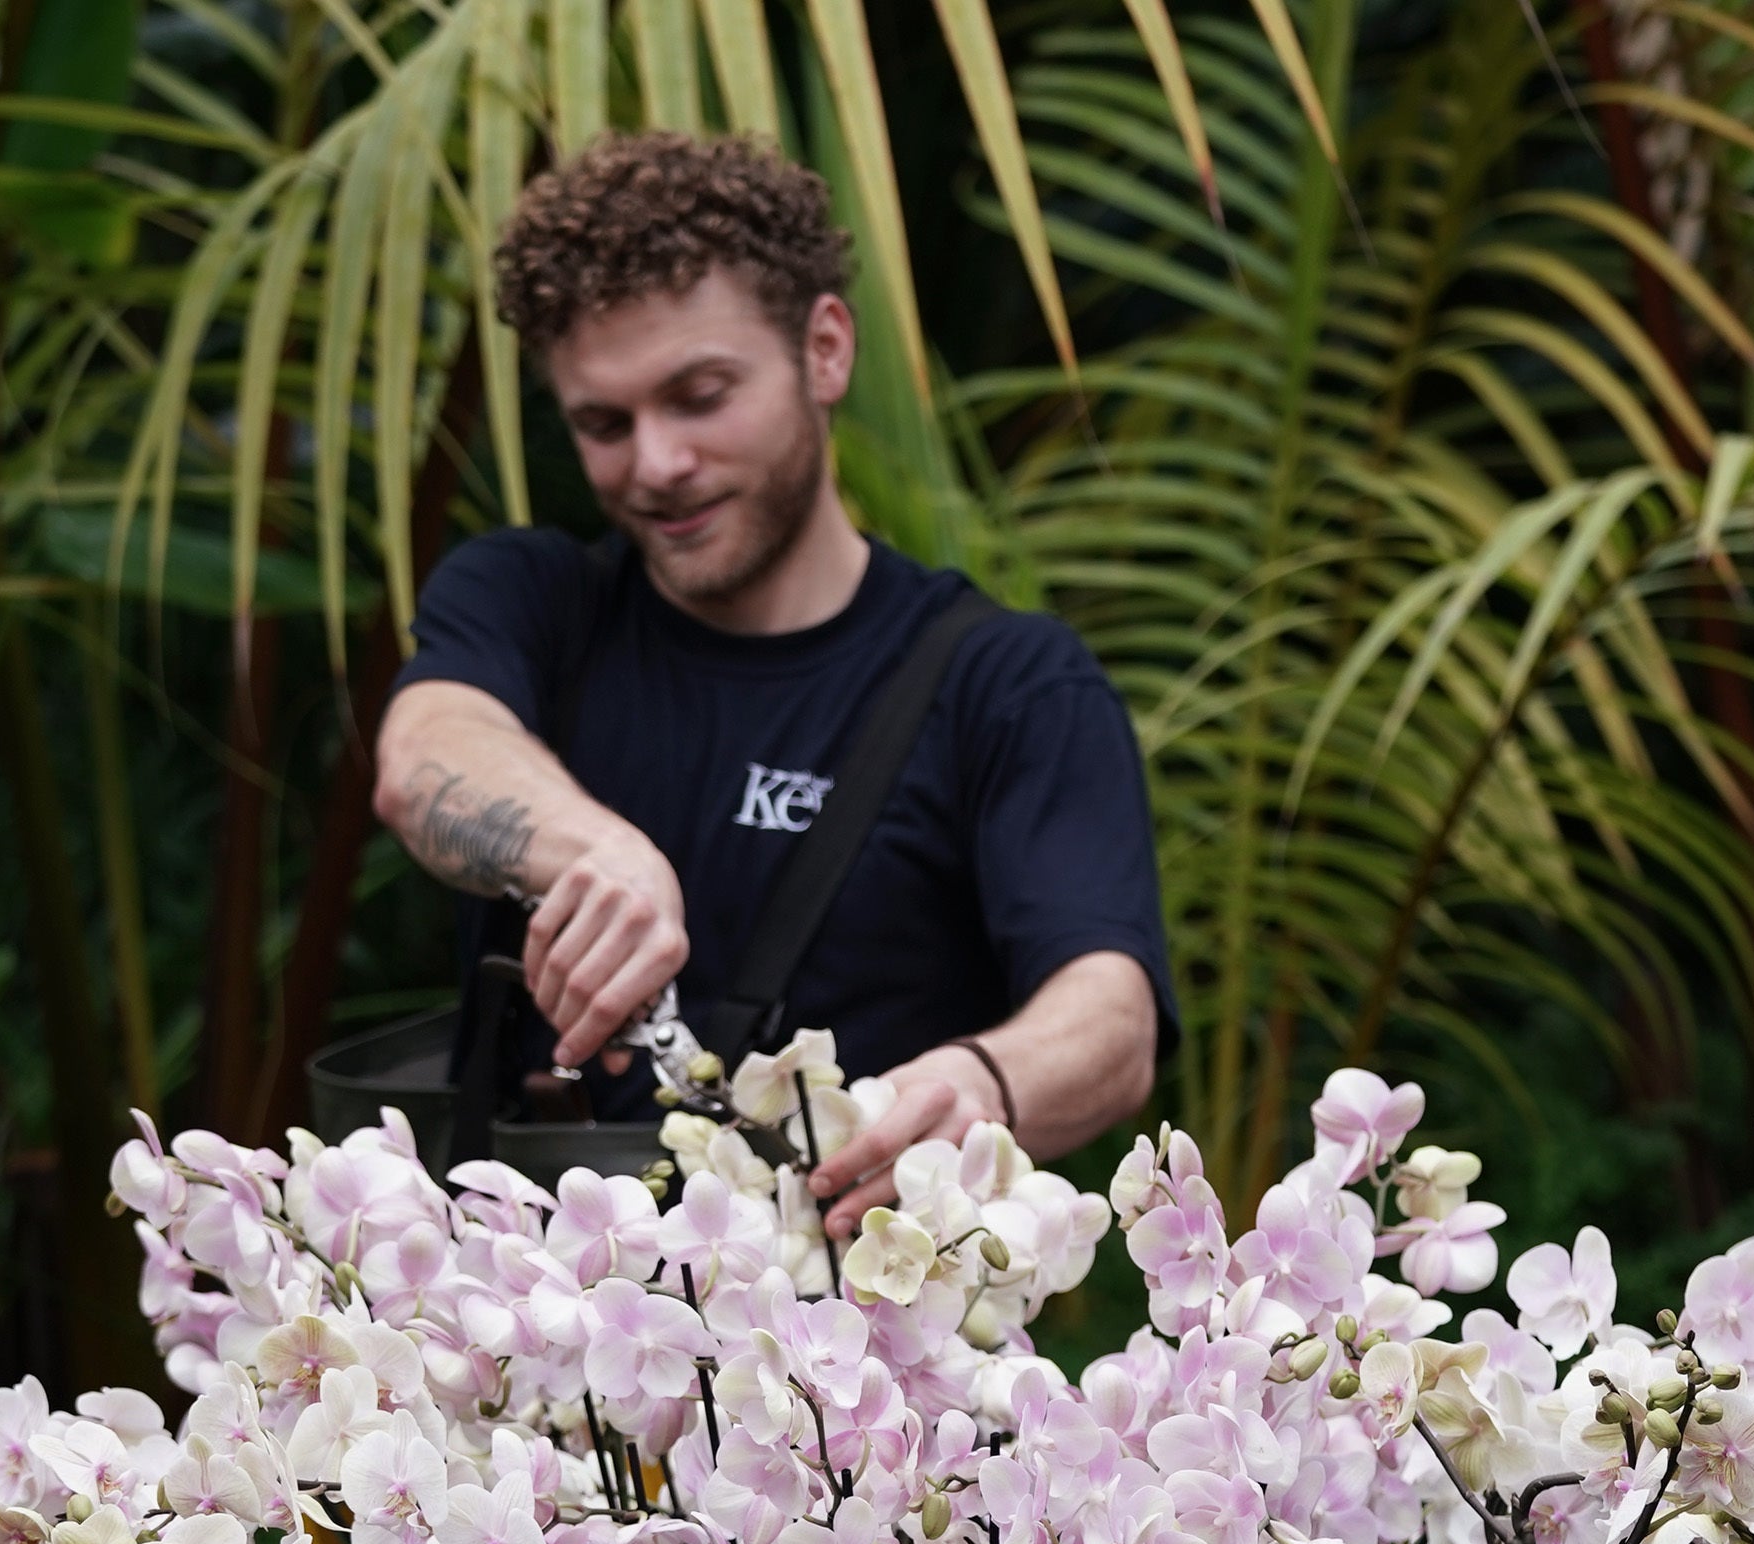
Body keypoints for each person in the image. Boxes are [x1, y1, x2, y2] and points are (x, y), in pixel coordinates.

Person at [371, 131, 1173, 1238]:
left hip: (871, 1362)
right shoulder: (534, 598)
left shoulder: (1008, 683)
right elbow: (426, 757)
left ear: (825, 350)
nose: (654, 463)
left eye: (699, 396)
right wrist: (601, 857)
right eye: (604, 423)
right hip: (532, 1347)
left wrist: (977, 1087)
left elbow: (1112, 1017)